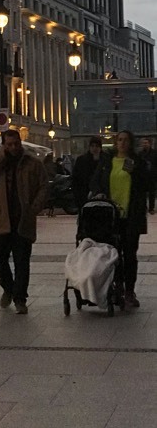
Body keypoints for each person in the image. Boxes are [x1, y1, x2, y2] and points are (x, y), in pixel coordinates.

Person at [0, 129, 48, 314]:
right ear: (3, 145)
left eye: (16, 143)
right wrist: (1, 159)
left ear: (20, 142)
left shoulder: (32, 162)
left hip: (22, 219)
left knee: (22, 261)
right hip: (0, 218)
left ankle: (20, 298)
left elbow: (43, 186)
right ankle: (9, 288)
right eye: (9, 144)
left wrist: (34, 208)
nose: (13, 147)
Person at [89, 129, 148, 307]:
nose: (122, 143)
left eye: (125, 140)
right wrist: (98, 193)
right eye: (119, 140)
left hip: (130, 215)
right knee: (114, 254)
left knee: (129, 254)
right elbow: (96, 181)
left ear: (131, 143)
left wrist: (136, 172)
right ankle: (117, 287)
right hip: (111, 216)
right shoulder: (108, 162)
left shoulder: (135, 162)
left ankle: (129, 290)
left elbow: (144, 185)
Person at [72, 137, 105, 210]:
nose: (94, 149)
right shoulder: (81, 161)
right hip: (84, 195)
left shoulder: (105, 160)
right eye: (92, 146)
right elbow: (75, 179)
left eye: (96, 146)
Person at [137, 137, 157, 214]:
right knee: (143, 194)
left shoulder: (155, 153)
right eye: (143, 143)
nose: (145, 144)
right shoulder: (140, 154)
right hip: (143, 177)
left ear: (150, 144)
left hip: (152, 176)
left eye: (146, 143)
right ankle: (144, 207)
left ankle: (151, 208)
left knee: (152, 193)